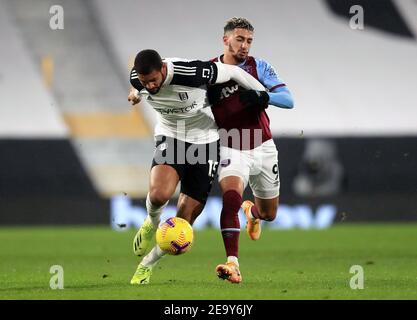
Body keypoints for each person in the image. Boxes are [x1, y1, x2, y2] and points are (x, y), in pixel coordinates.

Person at [127, 49, 265, 285]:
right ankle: (152, 221)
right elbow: (138, 88)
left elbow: (232, 71)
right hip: (172, 136)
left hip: (205, 141)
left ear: (162, 69)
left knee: (183, 223)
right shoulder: (137, 79)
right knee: (159, 194)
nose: (149, 85)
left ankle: (146, 265)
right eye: (144, 82)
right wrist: (136, 93)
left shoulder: (191, 72)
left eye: (153, 81)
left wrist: (260, 93)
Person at [207, 17, 294, 283]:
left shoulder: (259, 67)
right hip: (232, 146)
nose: (245, 46)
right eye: (239, 39)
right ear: (225, 39)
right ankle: (232, 262)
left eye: (249, 41)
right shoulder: (209, 72)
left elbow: (288, 100)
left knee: (269, 214)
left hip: (264, 146)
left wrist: (263, 96)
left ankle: (252, 213)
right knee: (230, 197)